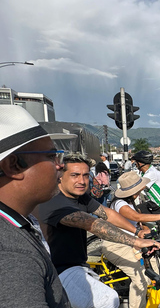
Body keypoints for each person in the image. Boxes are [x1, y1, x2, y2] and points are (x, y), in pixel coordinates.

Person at [39, 154, 159, 308]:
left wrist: (136, 231)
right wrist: (137, 241)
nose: (82, 181)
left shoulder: (81, 197)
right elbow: (93, 224)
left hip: (77, 265)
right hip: (57, 271)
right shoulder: (55, 202)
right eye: (75, 175)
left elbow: (106, 213)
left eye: (85, 175)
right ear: (60, 176)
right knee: (107, 299)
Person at [0, 105, 73, 307]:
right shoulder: (11, 254)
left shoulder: (21, 222)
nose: (60, 165)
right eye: (51, 156)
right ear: (13, 165)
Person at [104, 172, 160, 308]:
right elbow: (136, 217)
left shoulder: (131, 201)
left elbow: (139, 223)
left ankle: (154, 302)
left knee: (155, 271)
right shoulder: (120, 204)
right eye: (139, 189)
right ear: (133, 192)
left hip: (131, 242)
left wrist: (147, 231)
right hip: (117, 245)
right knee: (141, 280)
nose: (141, 190)